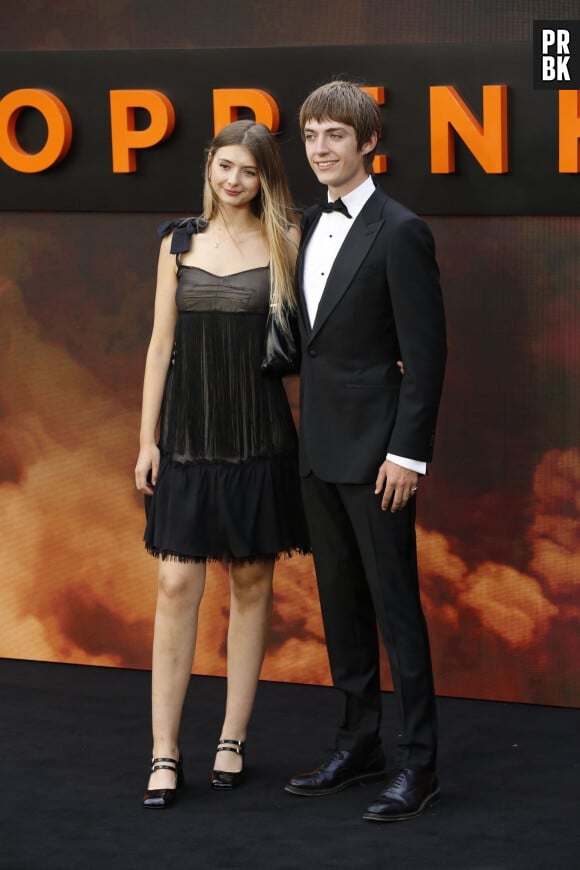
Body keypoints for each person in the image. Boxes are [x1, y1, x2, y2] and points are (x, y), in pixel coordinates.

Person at [134, 119, 309, 809]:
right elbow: (159, 347)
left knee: (252, 580)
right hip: (187, 438)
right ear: (208, 166)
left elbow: (313, 341)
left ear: (265, 177)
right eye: (223, 166)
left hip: (261, 439)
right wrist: (146, 441)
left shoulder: (286, 240)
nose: (233, 180)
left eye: (248, 170)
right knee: (176, 585)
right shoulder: (177, 243)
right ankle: (165, 749)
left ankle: (233, 738)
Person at [285, 81, 447, 822]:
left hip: (379, 456)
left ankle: (421, 764)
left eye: (336, 136)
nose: (320, 148)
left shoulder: (401, 229)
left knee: (395, 610)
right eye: (312, 134)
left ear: (368, 143)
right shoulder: (305, 225)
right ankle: (359, 745)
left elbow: (428, 354)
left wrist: (406, 456)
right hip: (317, 451)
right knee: (340, 606)